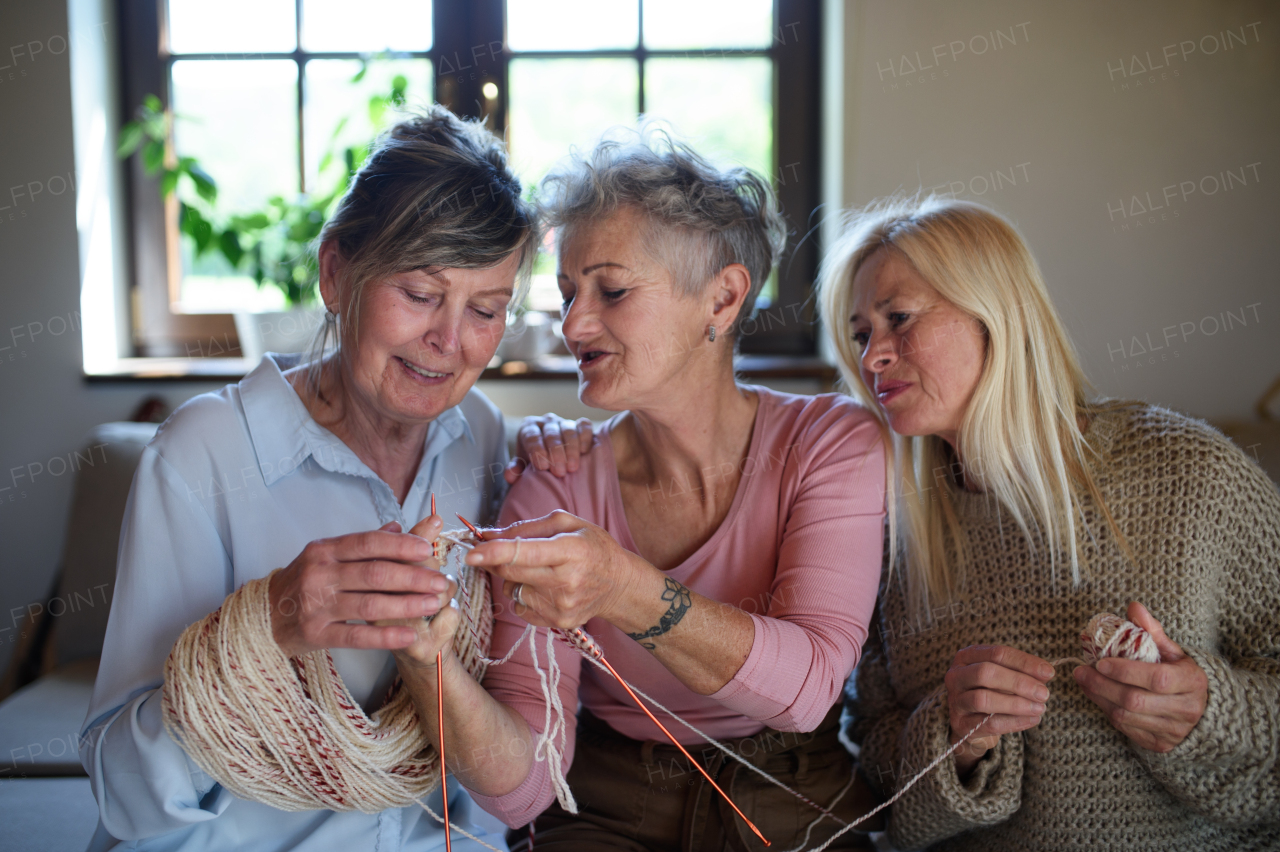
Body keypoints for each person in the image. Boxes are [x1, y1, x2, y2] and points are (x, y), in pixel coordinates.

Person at [390, 130, 888, 850]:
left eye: (612, 290)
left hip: (795, 788)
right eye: (566, 294)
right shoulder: (555, 485)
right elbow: (526, 787)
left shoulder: (830, 443)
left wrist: (624, 589)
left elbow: (807, 694)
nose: (573, 324)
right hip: (603, 801)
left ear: (722, 298)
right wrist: (424, 661)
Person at [79, 106, 535, 852]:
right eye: (420, 295)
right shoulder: (203, 454)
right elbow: (123, 788)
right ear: (335, 273)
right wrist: (271, 627)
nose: (449, 342)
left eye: (485, 309)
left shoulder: (478, 433)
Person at [818, 196, 1280, 851]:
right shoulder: (889, 531)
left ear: (995, 317)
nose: (872, 359)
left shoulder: (1190, 471)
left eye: (899, 319)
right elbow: (873, 755)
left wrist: (1210, 713)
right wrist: (952, 739)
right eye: (862, 334)